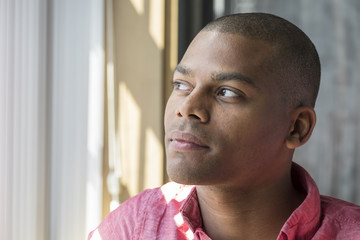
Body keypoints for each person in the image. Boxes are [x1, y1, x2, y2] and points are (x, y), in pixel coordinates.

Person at [89, 13, 360, 240]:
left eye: (227, 92)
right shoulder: (136, 226)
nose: (187, 108)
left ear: (296, 128)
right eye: (182, 85)